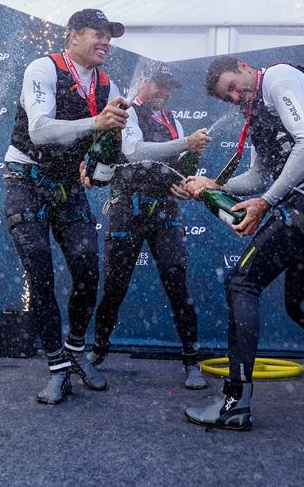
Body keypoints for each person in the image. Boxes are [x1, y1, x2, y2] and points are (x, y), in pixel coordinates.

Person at [183, 56, 304, 430]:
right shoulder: (255, 113)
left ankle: (234, 403)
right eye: (229, 96)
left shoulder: (279, 78)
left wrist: (268, 201)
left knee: (242, 282)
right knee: (300, 304)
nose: (237, 96)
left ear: (243, 65)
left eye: (235, 85)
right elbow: (260, 174)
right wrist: (217, 187)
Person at [4, 9, 128, 404]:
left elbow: (121, 144)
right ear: (73, 36)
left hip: (67, 187)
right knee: (40, 271)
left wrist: (104, 164)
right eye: (98, 33)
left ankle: (75, 352)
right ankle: (57, 369)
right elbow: (40, 130)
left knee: (89, 271)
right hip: (26, 181)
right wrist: (96, 124)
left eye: (109, 36)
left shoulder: (109, 84)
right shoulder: (43, 68)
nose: (105, 41)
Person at [85, 62, 212, 389]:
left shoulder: (175, 121)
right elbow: (135, 151)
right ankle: (98, 351)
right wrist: (186, 145)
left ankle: (191, 361)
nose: (165, 93)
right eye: (160, 85)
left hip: (165, 212)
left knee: (178, 285)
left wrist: (186, 186)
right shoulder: (125, 113)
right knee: (115, 287)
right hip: (126, 209)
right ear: (143, 82)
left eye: (170, 88)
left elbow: (182, 170)